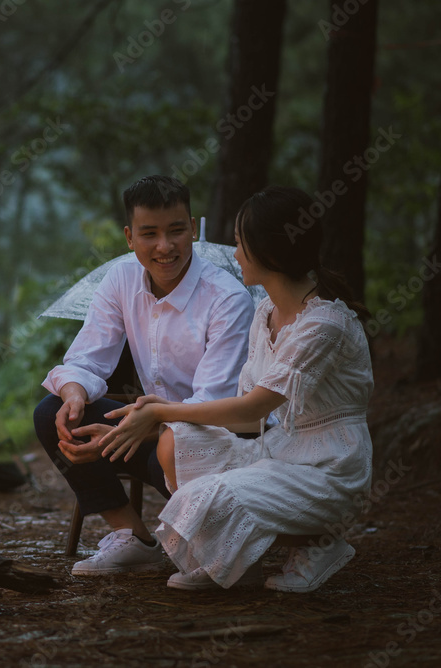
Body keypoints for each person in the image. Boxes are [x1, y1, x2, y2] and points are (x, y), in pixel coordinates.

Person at [102, 185, 373, 592]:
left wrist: (162, 411)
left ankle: (319, 541)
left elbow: (252, 408)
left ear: (269, 251)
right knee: (181, 442)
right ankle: (230, 557)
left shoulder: (323, 325)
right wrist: (153, 419)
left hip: (330, 469)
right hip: (281, 450)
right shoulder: (266, 311)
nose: (235, 255)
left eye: (240, 244)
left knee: (216, 493)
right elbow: (253, 418)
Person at [34, 175, 255, 576]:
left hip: (221, 439)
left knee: (175, 447)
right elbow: (85, 359)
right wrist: (74, 394)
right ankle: (132, 537)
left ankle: (214, 539)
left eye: (176, 231)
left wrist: (138, 428)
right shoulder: (120, 279)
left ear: (192, 227)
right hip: (155, 431)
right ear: (129, 237)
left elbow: (214, 405)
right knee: (56, 412)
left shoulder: (227, 298)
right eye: (149, 233)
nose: (165, 247)